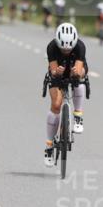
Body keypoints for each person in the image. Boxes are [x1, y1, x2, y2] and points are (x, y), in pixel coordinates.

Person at [44, 23, 88, 166]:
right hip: (58, 73)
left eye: (69, 48)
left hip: (75, 70)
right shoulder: (51, 47)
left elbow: (80, 68)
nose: (66, 50)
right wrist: (57, 72)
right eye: (63, 48)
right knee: (56, 105)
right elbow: (53, 71)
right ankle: (49, 146)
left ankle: (78, 116)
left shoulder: (80, 46)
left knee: (80, 77)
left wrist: (76, 72)